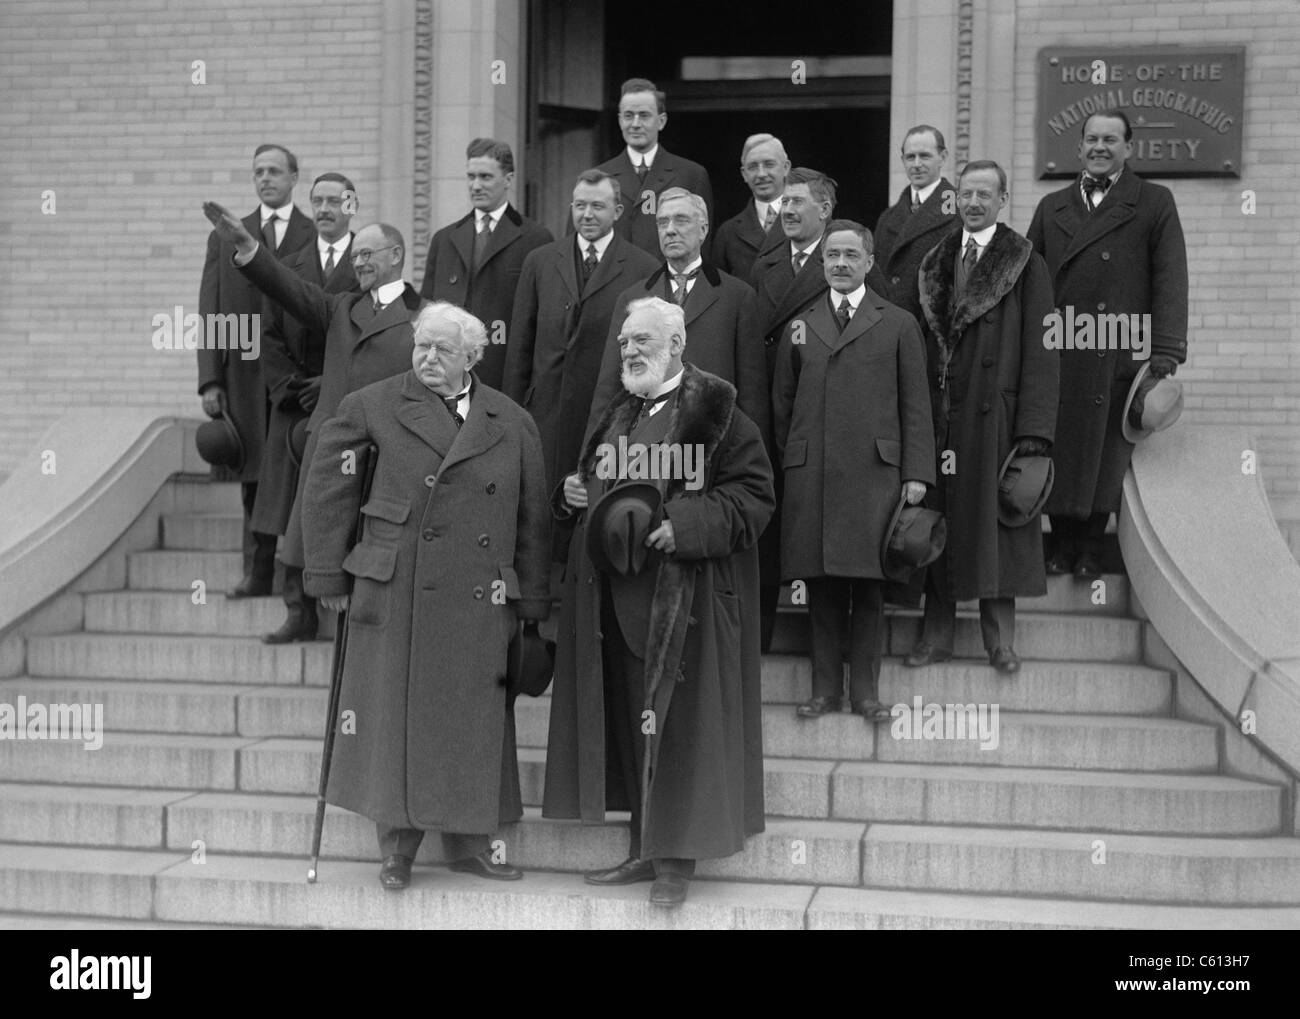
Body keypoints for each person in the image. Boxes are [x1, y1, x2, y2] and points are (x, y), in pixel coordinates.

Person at [300, 302, 551, 890]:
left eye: (442, 349)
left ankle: (471, 844)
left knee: (472, 721)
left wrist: (534, 603)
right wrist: (328, 577)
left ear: (472, 355)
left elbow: (533, 519)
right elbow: (328, 490)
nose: (428, 358)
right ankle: (398, 850)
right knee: (394, 718)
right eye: (421, 347)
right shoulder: (372, 405)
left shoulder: (512, 422)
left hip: (479, 595)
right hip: (397, 588)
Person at [544, 297, 774, 908]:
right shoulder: (618, 413)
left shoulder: (718, 414)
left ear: (676, 344)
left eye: (642, 340)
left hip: (685, 601)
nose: (630, 350)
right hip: (615, 601)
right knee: (632, 727)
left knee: (679, 730)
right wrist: (572, 496)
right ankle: (644, 848)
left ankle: (675, 863)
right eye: (624, 342)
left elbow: (754, 498)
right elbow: (597, 489)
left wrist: (685, 525)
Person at [200, 203, 428, 603]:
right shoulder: (340, 307)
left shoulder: (425, 317)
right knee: (327, 573)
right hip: (334, 464)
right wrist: (248, 246)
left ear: (396, 255)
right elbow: (288, 287)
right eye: (355, 255)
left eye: (367, 254)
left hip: (391, 466)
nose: (359, 262)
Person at [772, 220, 934, 719]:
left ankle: (865, 693)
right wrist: (793, 459)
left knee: (868, 589)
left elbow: (917, 405)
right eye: (832, 256)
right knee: (820, 588)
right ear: (821, 264)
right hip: (814, 473)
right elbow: (781, 403)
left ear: (869, 263)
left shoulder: (899, 322)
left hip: (876, 476)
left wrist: (916, 472)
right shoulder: (799, 324)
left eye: (850, 256)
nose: (840, 264)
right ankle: (824, 691)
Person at [906, 161, 1059, 674]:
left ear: (1002, 199)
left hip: (996, 415)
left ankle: (1001, 642)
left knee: (997, 527)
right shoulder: (935, 261)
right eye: (965, 194)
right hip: (941, 412)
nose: (972, 203)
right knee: (939, 520)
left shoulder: (1023, 261)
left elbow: (1042, 346)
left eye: (984, 195)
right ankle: (937, 635)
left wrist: (1034, 431)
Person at [1027, 110, 1188, 579]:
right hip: (1060, 343)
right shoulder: (1051, 206)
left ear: (1128, 148)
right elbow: (1031, 279)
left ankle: (1092, 548)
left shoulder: (1154, 202)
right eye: (1092, 139)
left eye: (1111, 140)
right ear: (1079, 148)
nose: (1100, 147)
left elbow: (1170, 275)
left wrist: (1166, 348)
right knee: (1060, 441)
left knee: (1105, 449)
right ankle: (1060, 542)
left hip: (1120, 344)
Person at [503, 168, 659, 557]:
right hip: (547, 413)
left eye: (598, 206)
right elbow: (520, 344)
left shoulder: (641, 266)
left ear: (618, 210)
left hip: (607, 412)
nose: (587, 214)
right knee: (540, 520)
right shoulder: (540, 261)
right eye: (580, 205)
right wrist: (509, 412)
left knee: (595, 515)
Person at [198, 143, 315, 597]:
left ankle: (297, 574)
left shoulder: (311, 231)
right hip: (243, 373)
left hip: (294, 371)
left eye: (274, 171)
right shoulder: (228, 233)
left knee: (293, 469)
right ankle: (257, 571)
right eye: (258, 172)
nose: (265, 179)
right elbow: (211, 309)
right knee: (253, 475)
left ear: (293, 177)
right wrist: (210, 378)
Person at [254, 172, 360, 644]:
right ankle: (298, 610)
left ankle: (346, 612)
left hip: (345, 403)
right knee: (293, 509)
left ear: (351, 206)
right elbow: (269, 332)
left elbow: (372, 330)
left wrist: (332, 382)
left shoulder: (368, 260)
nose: (323, 209)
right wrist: (294, 386)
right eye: (316, 201)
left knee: (338, 503)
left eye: (334, 201)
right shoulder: (289, 264)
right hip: (295, 403)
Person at [585, 187, 770, 450]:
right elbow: (608, 390)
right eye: (662, 222)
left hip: (714, 448)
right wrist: (591, 461)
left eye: (681, 220)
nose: (670, 229)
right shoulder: (632, 298)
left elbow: (753, 397)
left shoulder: (738, 297)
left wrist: (751, 460)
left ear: (703, 230)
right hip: (645, 451)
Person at [749, 166, 836, 652]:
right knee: (766, 527)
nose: (786, 210)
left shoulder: (842, 259)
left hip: (820, 415)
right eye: (784, 202)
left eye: (797, 202)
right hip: (767, 413)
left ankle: (821, 650)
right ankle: (759, 641)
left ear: (823, 211)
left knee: (814, 530)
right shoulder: (765, 267)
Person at [420, 138, 552, 390]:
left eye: (485, 177)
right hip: (449, 373)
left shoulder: (536, 238)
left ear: (508, 180)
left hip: (506, 375)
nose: (476, 185)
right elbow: (427, 309)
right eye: (471, 177)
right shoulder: (444, 239)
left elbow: (543, 322)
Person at [588, 78, 713, 257]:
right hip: (617, 283)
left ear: (661, 121)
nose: (636, 124)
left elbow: (703, 245)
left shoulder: (691, 175)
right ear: (620, 121)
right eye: (629, 116)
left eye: (644, 115)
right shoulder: (599, 178)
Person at [866, 124, 959, 329]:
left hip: (935, 332)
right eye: (910, 157)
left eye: (924, 156)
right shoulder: (888, 218)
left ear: (943, 157)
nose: (916, 164)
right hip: (889, 329)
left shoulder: (959, 212)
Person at [711, 133, 790, 282]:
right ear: (744, 174)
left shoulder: (807, 220)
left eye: (769, 164)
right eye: (753, 167)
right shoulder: (727, 233)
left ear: (786, 168)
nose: (761, 174)